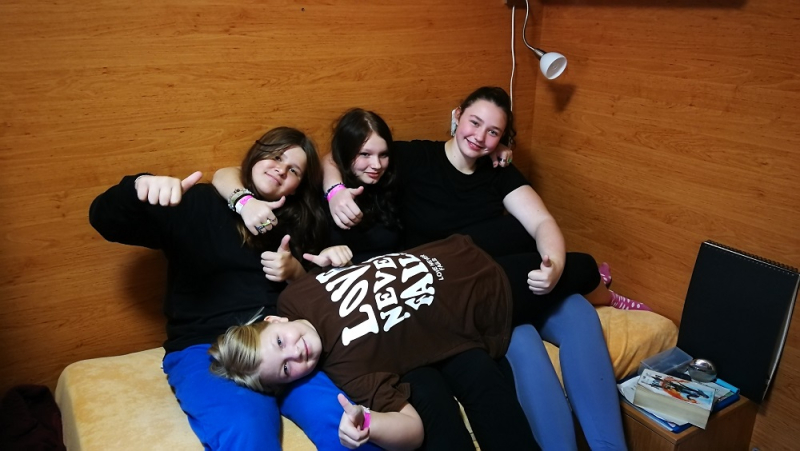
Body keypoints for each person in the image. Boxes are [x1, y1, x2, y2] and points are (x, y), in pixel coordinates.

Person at [319, 87, 636, 450]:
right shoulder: (415, 158)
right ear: (457, 116)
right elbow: (339, 154)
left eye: (493, 132)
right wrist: (334, 191)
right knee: (524, 339)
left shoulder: (500, 171)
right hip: (463, 295)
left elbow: (542, 222)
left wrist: (555, 265)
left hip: (511, 275)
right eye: (474, 122)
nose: (480, 136)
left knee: (579, 312)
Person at [212, 109, 534, 450]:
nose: (375, 164)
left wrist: (494, 145)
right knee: (438, 397)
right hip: (398, 342)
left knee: (483, 374)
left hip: (427, 290)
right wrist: (261, 203)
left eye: (293, 168)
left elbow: (332, 161)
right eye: (364, 155)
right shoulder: (307, 208)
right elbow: (227, 174)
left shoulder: (381, 182)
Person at [89, 126, 377, 451]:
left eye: (294, 169)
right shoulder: (201, 202)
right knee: (247, 431)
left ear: (298, 185)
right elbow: (103, 219)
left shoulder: (301, 222)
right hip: (207, 345)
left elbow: (323, 294)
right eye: (275, 156)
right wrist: (139, 186)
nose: (281, 169)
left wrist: (296, 272)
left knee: (349, 428)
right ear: (255, 154)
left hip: (285, 347)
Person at [209, 234, 559, 450]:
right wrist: (369, 425)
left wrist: (321, 260)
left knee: (568, 268)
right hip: (469, 313)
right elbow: (412, 428)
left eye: (280, 342)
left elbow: (320, 281)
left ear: (274, 321)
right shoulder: (348, 371)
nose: (296, 353)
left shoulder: (294, 298)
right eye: (286, 369)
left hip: (453, 257)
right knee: (473, 383)